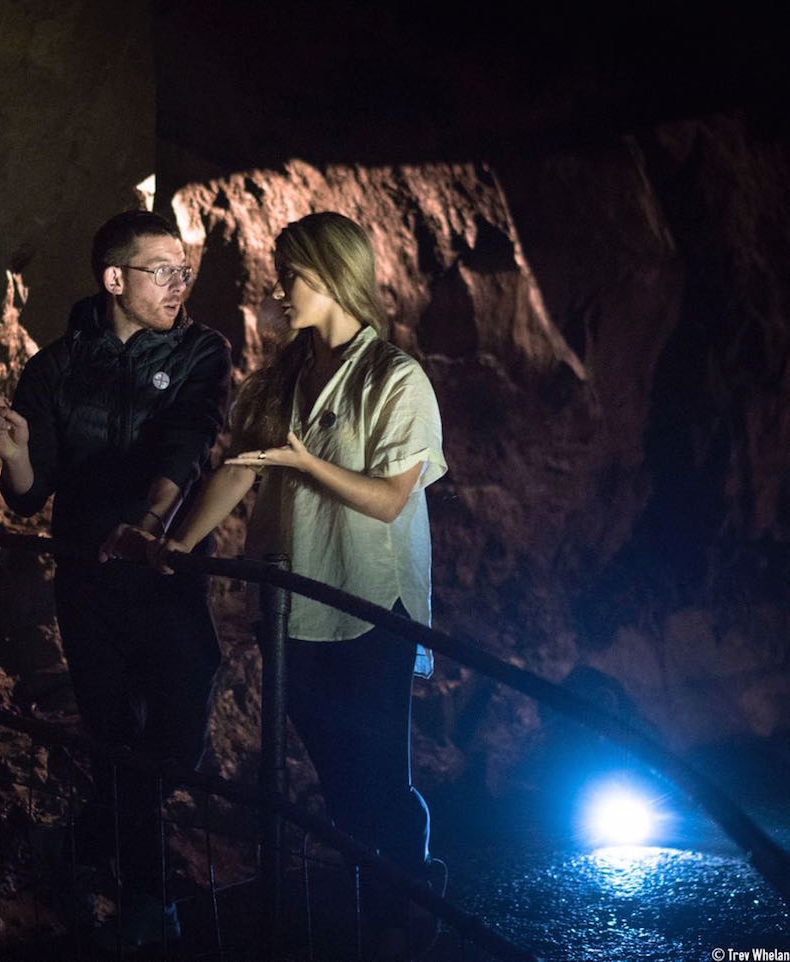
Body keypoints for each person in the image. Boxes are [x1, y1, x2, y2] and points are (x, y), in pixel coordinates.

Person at [150, 211, 446, 954]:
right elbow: (241, 467)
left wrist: (306, 462)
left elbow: (388, 498)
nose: (283, 289)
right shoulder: (286, 374)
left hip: (371, 602)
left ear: (337, 276)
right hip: (295, 603)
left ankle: (405, 911)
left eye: (296, 273)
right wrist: (177, 543)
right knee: (341, 776)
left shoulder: (394, 377)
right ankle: (387, 909)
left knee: (377, 771)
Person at [0, 209, 231, 947]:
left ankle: (88, 840)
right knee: (115, 731)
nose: (178, 284)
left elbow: (189, 440)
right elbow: (30, 490)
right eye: (162, 270)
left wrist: (154, 521)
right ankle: (150, 903)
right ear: (114, 278)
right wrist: (18, 451)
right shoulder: (56, 367)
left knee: (185, 711)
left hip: (167, 569)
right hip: (90, 577)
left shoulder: (199, 352)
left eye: (183, 269)